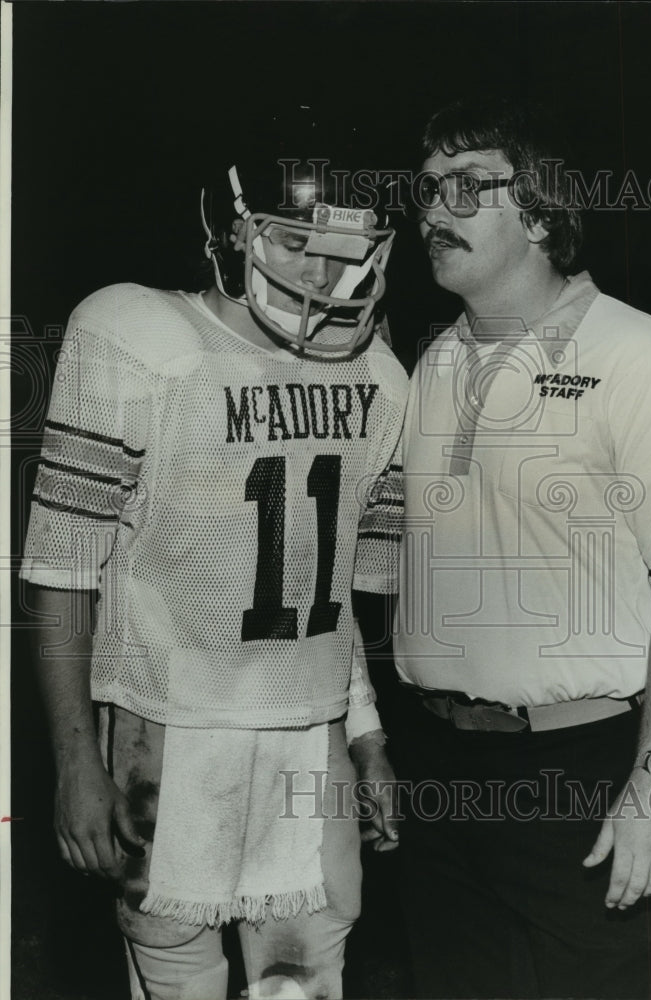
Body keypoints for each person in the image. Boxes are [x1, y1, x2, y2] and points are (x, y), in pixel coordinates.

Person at [20, 129, 408, 1000]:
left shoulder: (382, 374)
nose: (321, 274)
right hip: (169, 724)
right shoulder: (138, 336)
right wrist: (75, 760)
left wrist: (367, 733)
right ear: (231, 233)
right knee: (177, 980)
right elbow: (60, 571)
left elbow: (330, 591)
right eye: (296, 242)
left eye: (343, 250)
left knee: (304, 980)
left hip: (310, 731)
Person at [391, 97, 651, 999]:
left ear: (542, 214)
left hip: (578, 773)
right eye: (426, 190)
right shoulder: (433, 362)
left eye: (468, 188)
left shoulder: (632, 353)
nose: (434, 211)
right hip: (440, 768)